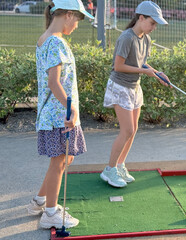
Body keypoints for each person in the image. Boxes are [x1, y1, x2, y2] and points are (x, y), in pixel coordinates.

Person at [26, 0, 94, 229]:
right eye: (78, 18)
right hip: (59, 115)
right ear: (67, 15)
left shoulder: (45, 39)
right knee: (60, 161)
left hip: (54, 114)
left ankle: (40, 201)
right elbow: (54, 83)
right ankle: (51, 213)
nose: (77, 24)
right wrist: (71, 108)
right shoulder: (55, 42)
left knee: (65, 158)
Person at [100, 1, 170, 187]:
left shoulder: (145, 39)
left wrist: (157, 74)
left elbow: (142, 64)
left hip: (134, 87)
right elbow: (118, 66)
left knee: (134, 130)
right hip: (120, 86)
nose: (154, 27)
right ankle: (109, 170)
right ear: (141, 18)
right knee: (127, 130)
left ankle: (120, 165)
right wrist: (144, 72)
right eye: (152, 23)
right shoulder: (126, 37)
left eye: (156, 24)